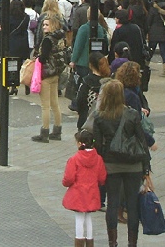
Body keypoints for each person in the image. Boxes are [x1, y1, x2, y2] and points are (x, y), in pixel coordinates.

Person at [91, 80, 151, 247]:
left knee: (112, 203)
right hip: (133, 165)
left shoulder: (100, 116)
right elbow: (142, 141)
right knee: (132, 204)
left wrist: (105, 155)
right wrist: (146, 168)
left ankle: (113, 242)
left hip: (111, 164)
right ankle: (132, 243)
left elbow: (96, 143)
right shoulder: (132, 114)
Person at [62, 129, 107, 247]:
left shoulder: (75, 159)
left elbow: (69, 178)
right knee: (88, 217)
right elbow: (102, 178)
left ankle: (79, 242)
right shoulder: (98, 159)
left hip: (78, 193)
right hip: (92, 192)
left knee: (79, 218)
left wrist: (65, 183)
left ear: (79, 143)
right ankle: (90, 242)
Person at [31, 15, 68, 143]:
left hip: (46, 74)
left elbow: (43, 58)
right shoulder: (61, 38)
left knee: (45, 106)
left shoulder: (48, 40)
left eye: (47, 24)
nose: (44, 27)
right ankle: (57, 131)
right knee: (55, 104)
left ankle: (44, 133)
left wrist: (38, 57)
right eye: (43, 24)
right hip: (56, 74)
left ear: (53, 25)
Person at [75, 52, 112, 130]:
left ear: (90, 65)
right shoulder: (110, 82)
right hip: (106, 122)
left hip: (87, 121)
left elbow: (80, 100)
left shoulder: (86, 81)